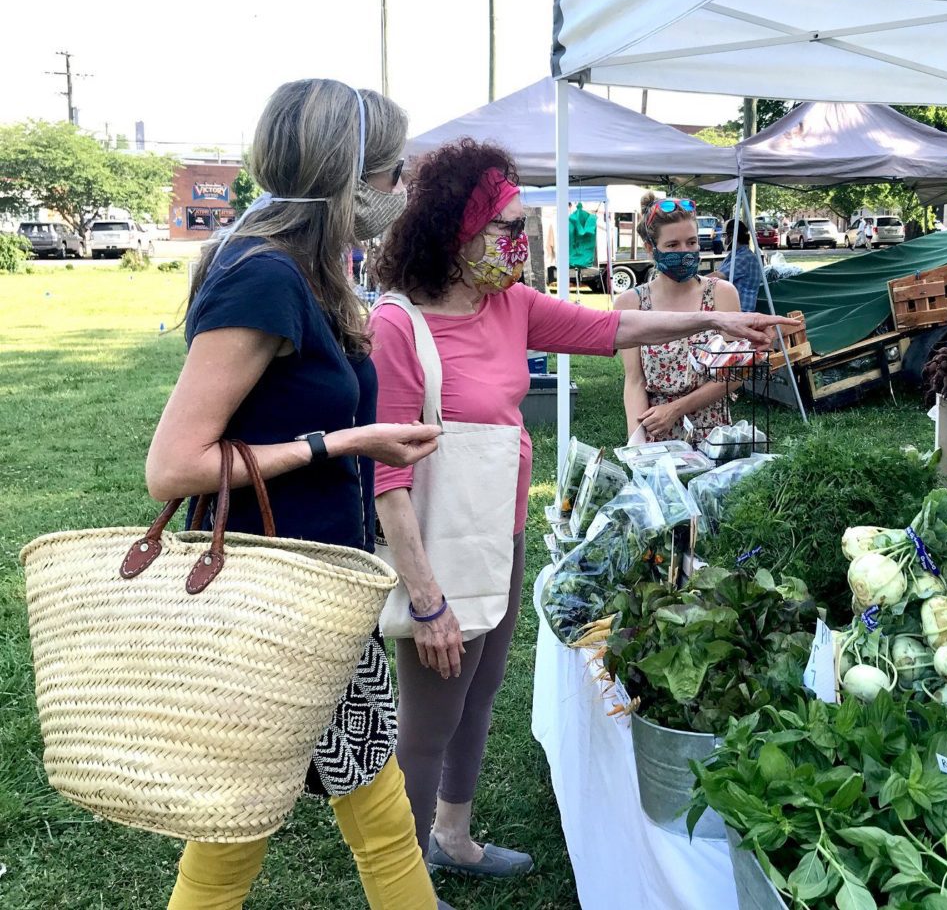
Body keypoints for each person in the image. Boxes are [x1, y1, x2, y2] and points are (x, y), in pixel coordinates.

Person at [367, 139, 794, 880]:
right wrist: (427, 598)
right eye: (505, 228)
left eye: (521, 227)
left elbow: (612, 330)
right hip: (438, 547)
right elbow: (386, 478)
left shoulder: (509, 305)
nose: (520, 244)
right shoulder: (400, 326)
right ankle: (402, 879)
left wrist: (713, 324)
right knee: (430, 721)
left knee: (482, 693)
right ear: (454, 230)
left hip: (500, 531)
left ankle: (455, 838)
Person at [146, 79, 447, 910]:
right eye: (391, 173)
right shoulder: (265, 277)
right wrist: (345, 441)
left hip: (317, 594)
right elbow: (172, 467)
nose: (400, 190)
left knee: (310, 824)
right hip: (272, 604)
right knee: (249, 830)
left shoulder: (299, 270)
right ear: (346, 177)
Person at [616, 194, 748, 444]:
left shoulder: (722, 294)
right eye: (673, 245)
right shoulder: (630, 304)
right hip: (657, 433)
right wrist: (638, 446)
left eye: (691, 242)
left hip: (713, 435)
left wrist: (676, 408)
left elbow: (736, 374)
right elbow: (634, 381)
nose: (685, 252)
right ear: (650, 249)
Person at [718, 218, 764, 313]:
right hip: (731, 311)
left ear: (731, 236)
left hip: (740, 313)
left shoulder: (745, 258)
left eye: (724, 235)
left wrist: (696, 281)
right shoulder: (735, 255)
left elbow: (718, 277)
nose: (722, 238)